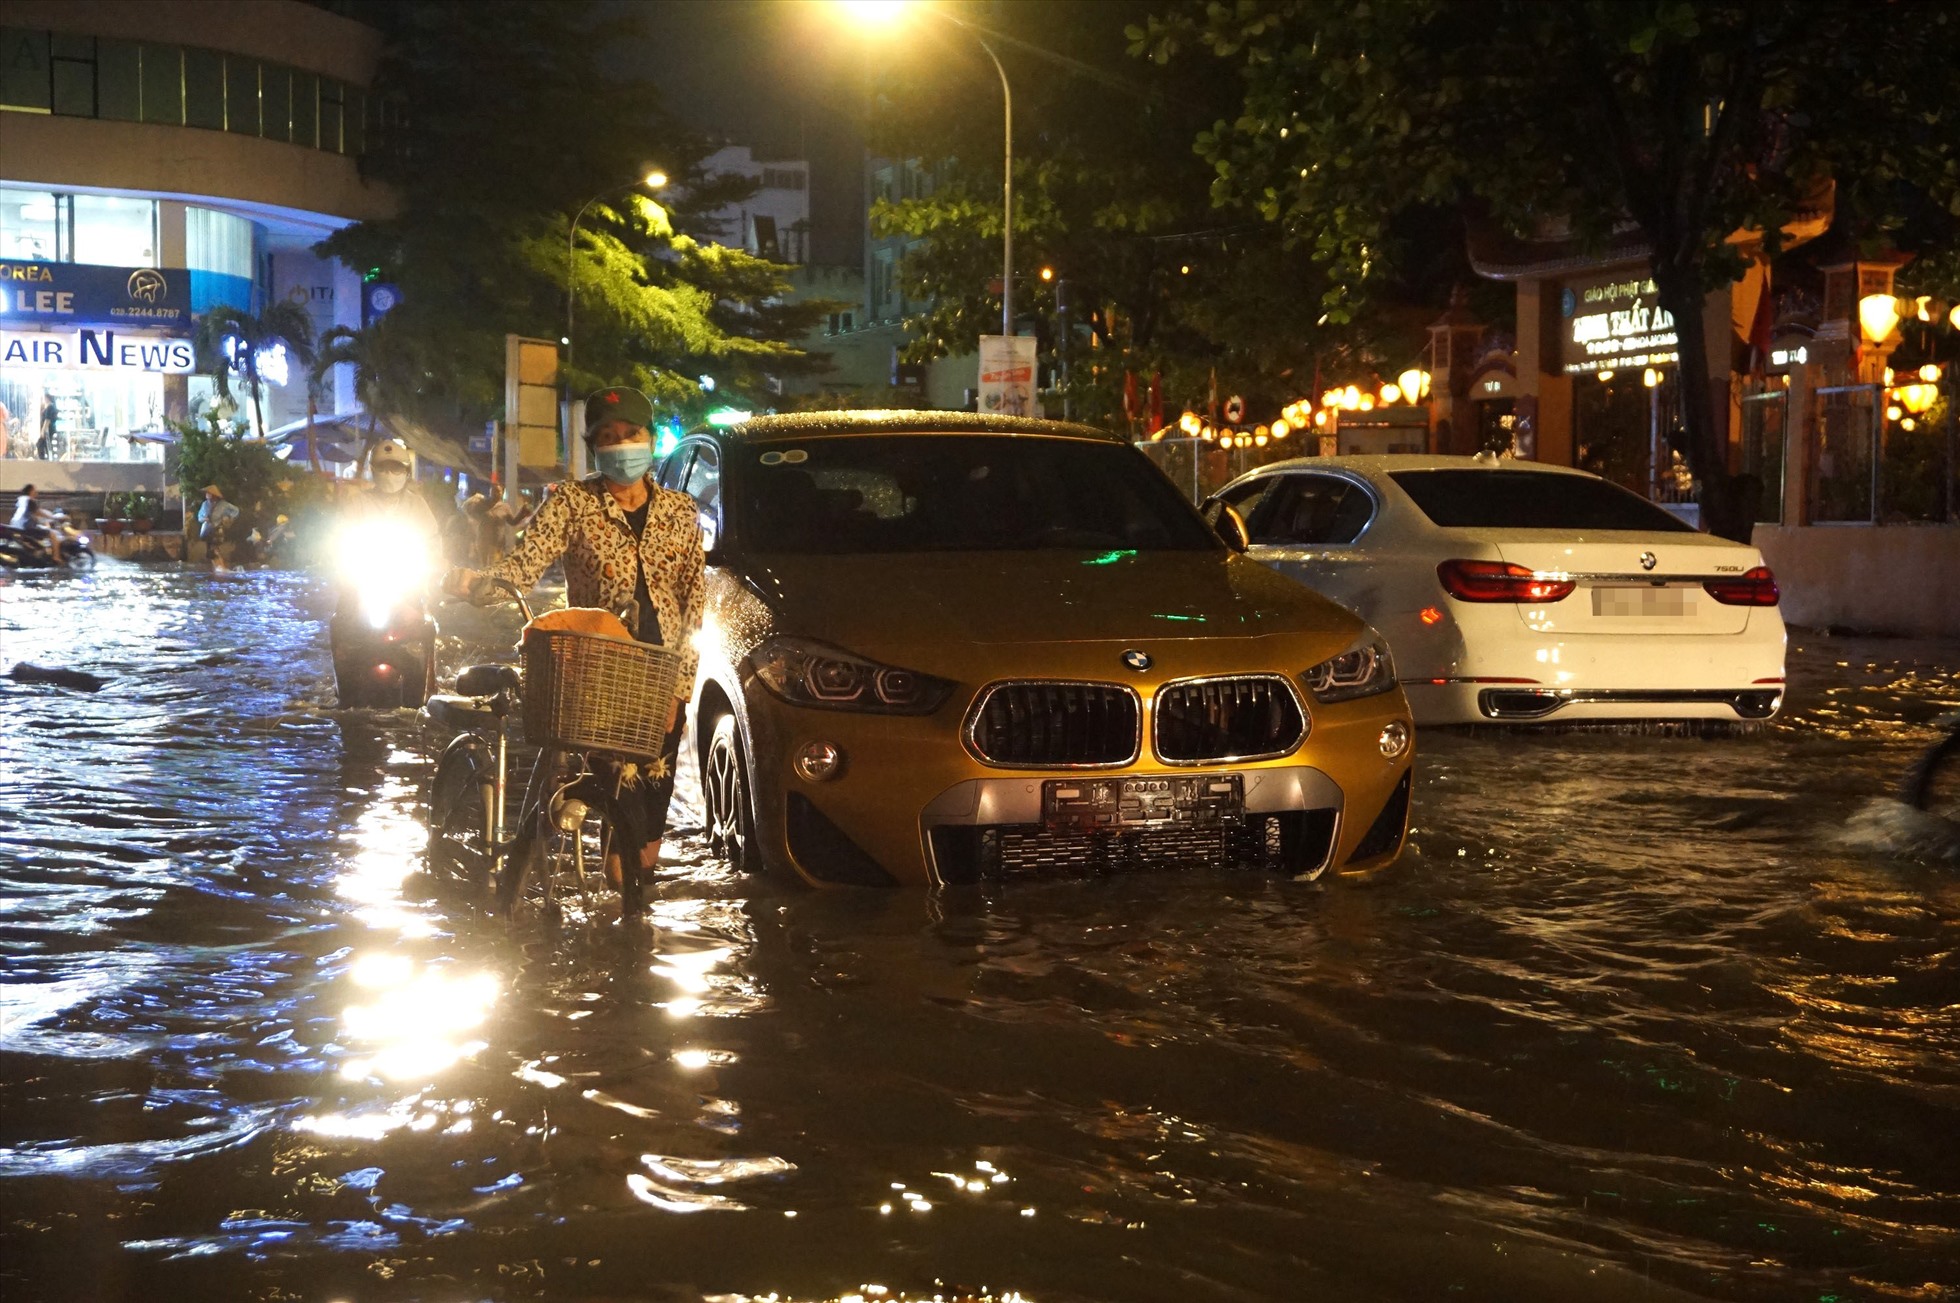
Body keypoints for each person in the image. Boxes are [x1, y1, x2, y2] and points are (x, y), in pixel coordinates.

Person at [446, 386, 705, 894]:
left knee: (647, 817)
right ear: (594, 446)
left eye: (631, 434)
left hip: (661, 678)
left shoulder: (681, 511)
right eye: (608, 437)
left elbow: (694, 603)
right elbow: (524, 566)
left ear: (650, 439)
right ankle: (549, 864)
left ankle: (633, 914)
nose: (621, 446)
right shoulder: (572, 503)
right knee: (607, 799)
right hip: (599, 669)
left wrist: (683, 685)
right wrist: (476, 584)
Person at [197, 484, 240, 570]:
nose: (206, 495)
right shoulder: (205, 504)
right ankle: (217, 568)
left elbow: (236, 510)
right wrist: (203, 519)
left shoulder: (223, 505)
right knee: (210, 551)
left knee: (215, 549)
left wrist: (228, 517)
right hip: (207, 530)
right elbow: (199, 516)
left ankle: (221, 568)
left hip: (217, 529)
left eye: (208, 493)